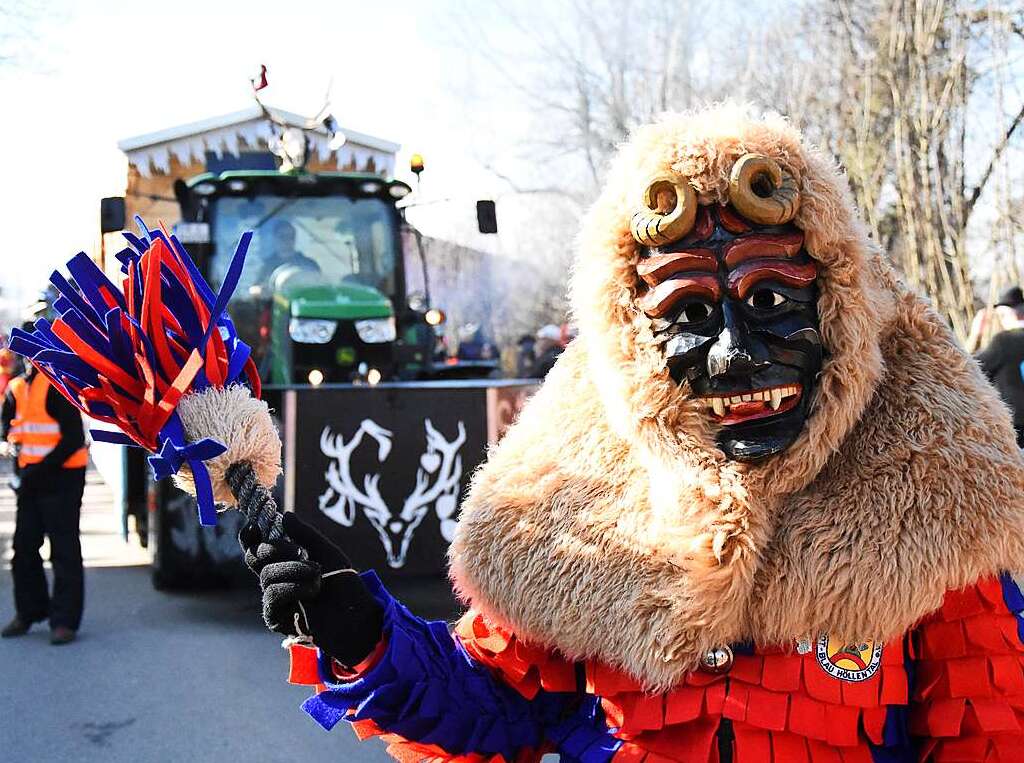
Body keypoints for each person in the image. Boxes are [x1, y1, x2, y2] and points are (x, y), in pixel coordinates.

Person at [238, 105, 1024, 760]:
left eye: (772, 303)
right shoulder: (566, 515)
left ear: (842, 312)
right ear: (630, 344)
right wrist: (371, 638)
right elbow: (494, 713)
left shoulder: (939, 509)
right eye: (686, 314)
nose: (733, 353)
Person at [1, 367, 87, 645]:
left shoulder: (56, 384)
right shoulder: (16, 388)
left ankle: (64, 622)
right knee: (23, 548)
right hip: (31, 481)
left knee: (64, 551)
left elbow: (73, 439)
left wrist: (35, 472)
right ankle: (29, 612)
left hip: (63, 478)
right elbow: (10, 430)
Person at [977, 286, 1024, 446]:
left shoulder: (1003, 342)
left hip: (1016, 428)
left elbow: (972, 370)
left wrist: (975, 335)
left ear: (1008, 313)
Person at [256, 219, 320, 285]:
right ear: (275, 238)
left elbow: (320, 286)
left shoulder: (309, 264)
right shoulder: (267, 266)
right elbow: (255, 288)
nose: (287, 240)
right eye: (282, 237)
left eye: (291, 236)